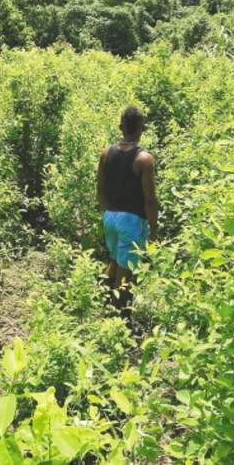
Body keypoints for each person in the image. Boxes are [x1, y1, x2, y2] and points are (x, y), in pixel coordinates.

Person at [97, 106, 158, 318]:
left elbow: (100, 188)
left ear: (120, 127)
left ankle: (98, 299)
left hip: (110, 216)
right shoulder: (144, 160)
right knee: (126, 275)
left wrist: (106, 213)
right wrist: (154, 232)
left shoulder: (106, 153)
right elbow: (150, 200)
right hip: (131, 221)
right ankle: (118, 319)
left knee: (115, 260)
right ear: (143, 129)